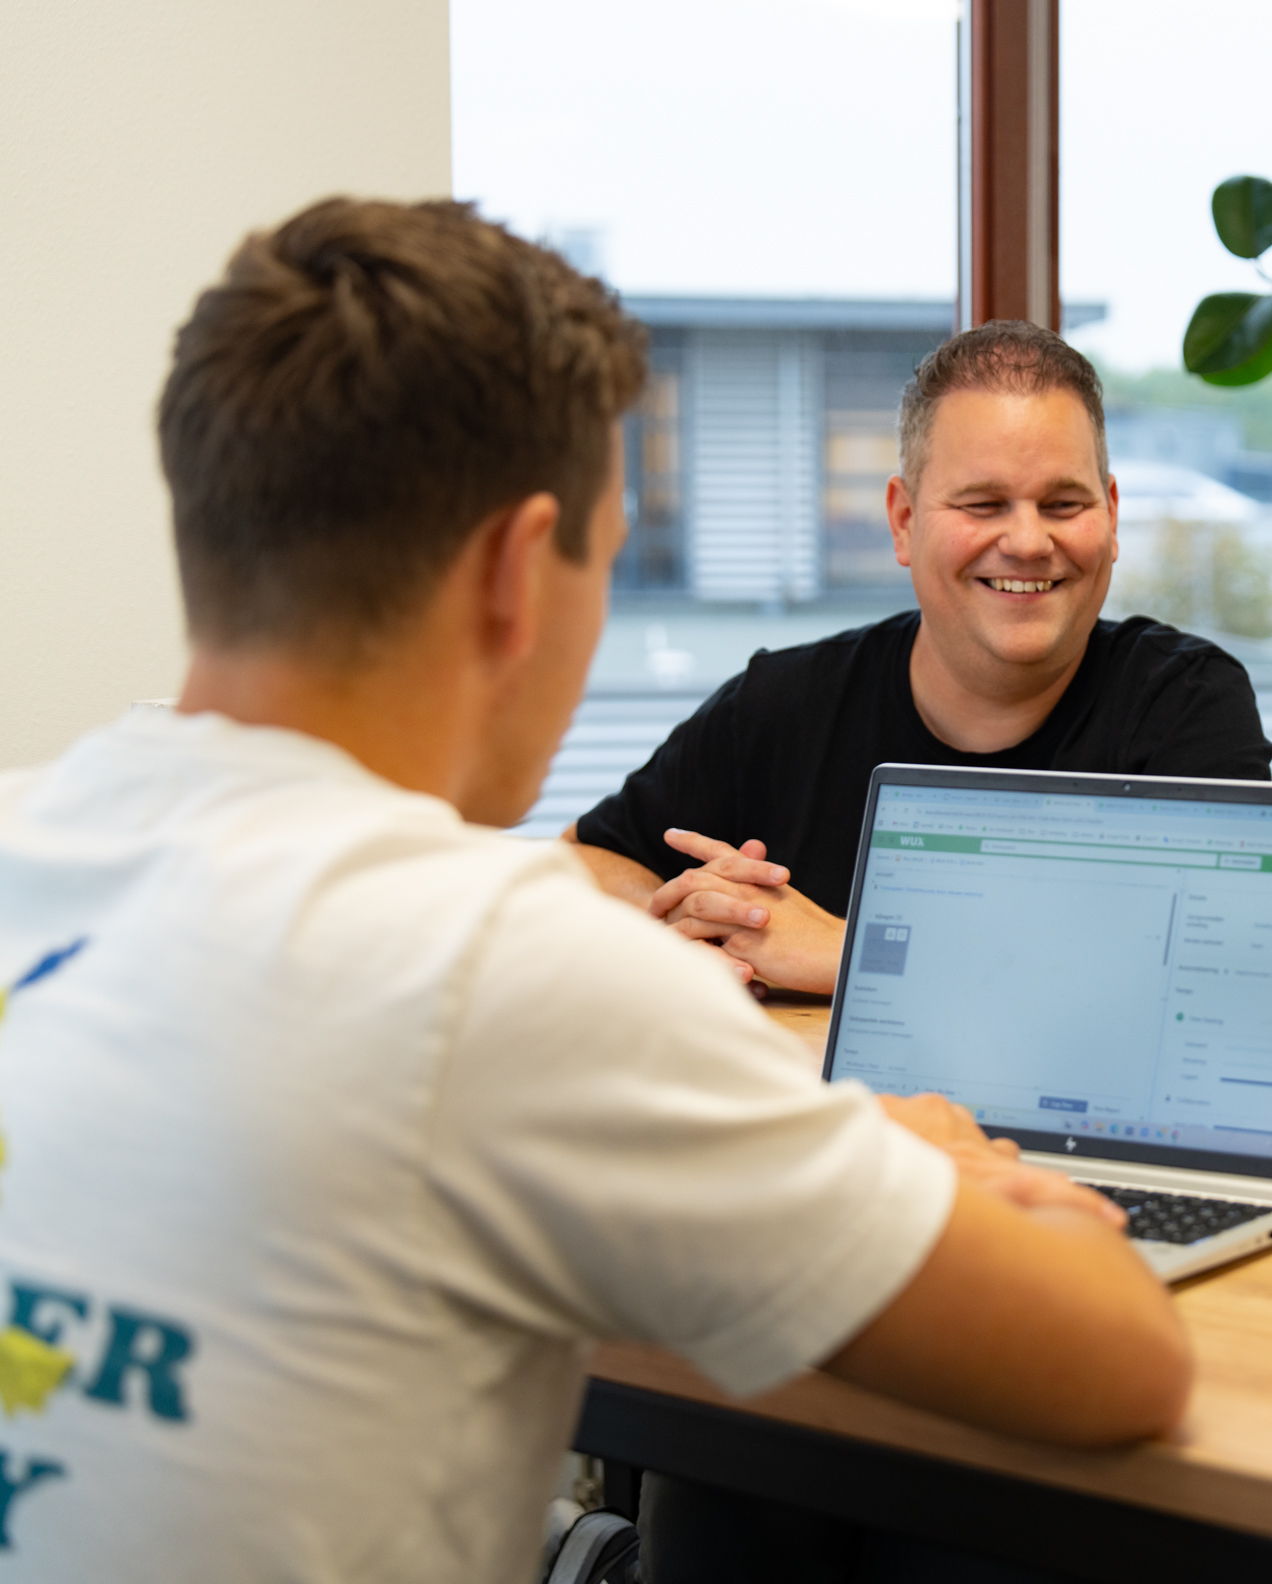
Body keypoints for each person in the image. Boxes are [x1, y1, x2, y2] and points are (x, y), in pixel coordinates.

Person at [0, 199, 1190, 1580]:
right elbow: (1125, 1360)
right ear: (519, 571)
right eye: (611, 557)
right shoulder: (500, 969)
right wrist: (903, 1158)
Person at [564, 321, 1272, 996]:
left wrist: (850, 951)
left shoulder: (1185, 707)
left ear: (1111, 517)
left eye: (1063, 504)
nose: (1028, 542)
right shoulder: (781, 705)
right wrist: (696, 929)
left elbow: (1207, 972)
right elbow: (584, 864)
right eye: (983, 503)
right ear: (904, 521)